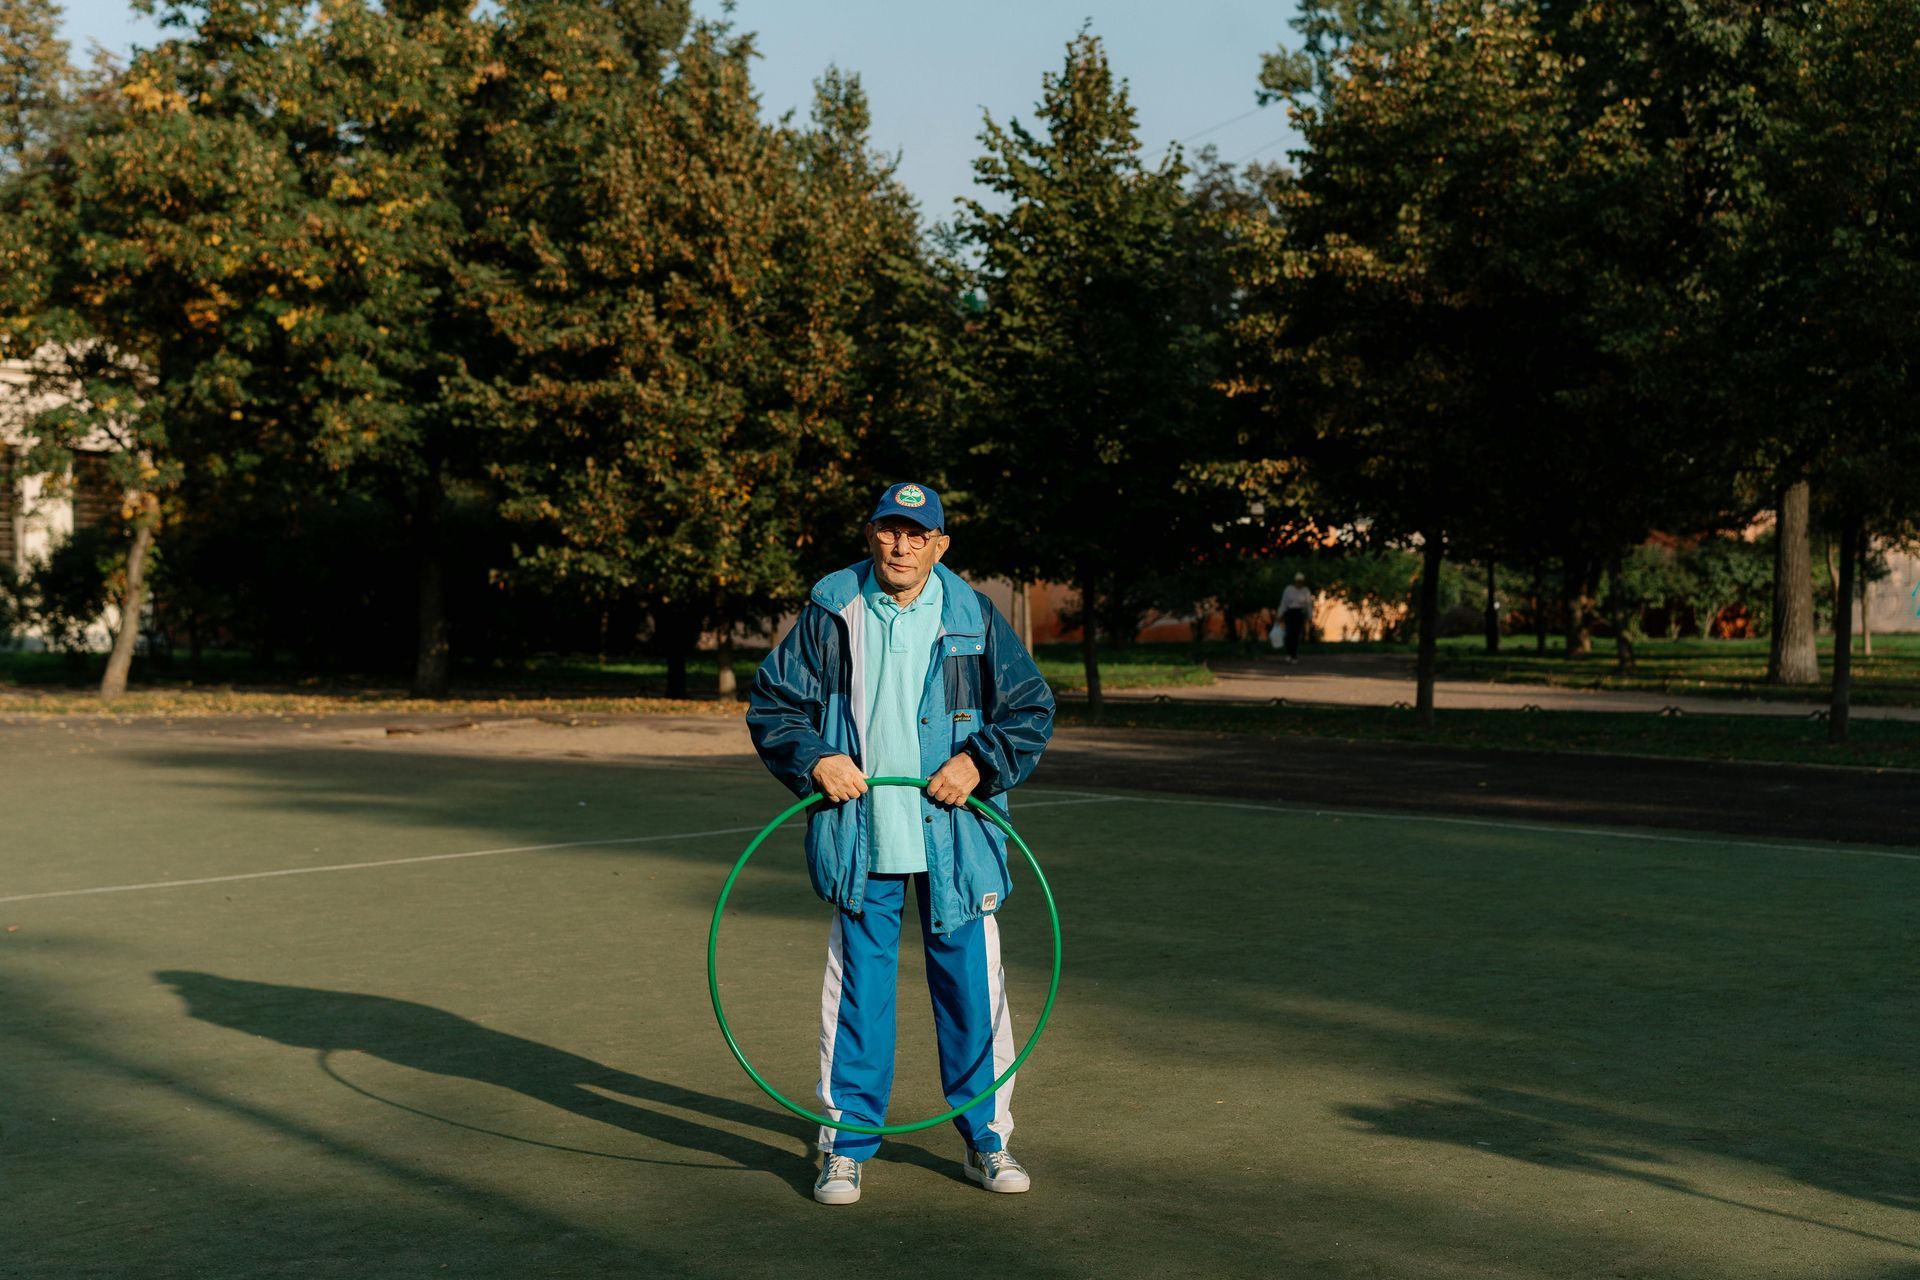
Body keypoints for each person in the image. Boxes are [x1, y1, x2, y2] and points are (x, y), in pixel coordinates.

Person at [746, 481, 1056, 1206]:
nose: (901, 545)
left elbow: (1029, 708)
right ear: (870, 535)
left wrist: (977, 761)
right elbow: (775, 704)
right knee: (858, 998)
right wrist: (816, 758)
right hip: (861, 834)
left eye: (918, 535)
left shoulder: (974, 613)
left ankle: (987, 1141)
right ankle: (846, 1148)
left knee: (971, 996)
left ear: (940, 545)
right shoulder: (831, 608)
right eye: (890, 530)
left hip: (958, 837)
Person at [1278, 572, 1314, 664]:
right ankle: (1289, 653)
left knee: (1296, 634)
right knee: (1289, 633)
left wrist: (1310, 617)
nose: (1299, 583)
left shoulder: (1305, 591)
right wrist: (1280, 614)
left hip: (1299, 614)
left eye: (1301, 582)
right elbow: (1284, 602)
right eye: (1298, 581)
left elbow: (1308, 604)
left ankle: (1294, 654)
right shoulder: (1289, 589)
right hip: (1290, 613)